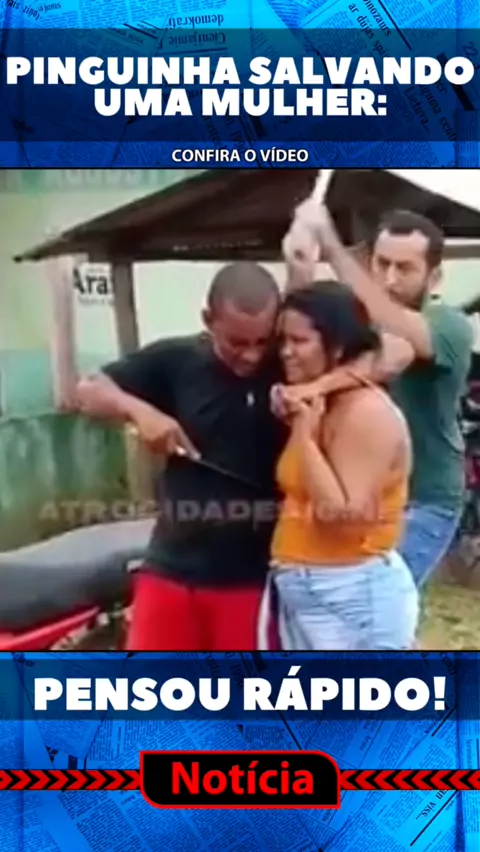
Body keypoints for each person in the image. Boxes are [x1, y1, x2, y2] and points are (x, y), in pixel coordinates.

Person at [76, 262, 287, 651]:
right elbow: (88, 390)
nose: (252, 355)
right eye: (237, 342)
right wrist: (140, 411)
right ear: (208, 320)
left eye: (263, 341)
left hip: (251, 579)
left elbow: (379, 351)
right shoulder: (177, 360)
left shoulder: (288, 363)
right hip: (170, 567)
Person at [279, 203, 473, 589]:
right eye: (381, 264)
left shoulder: (450, 325)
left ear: (434, 277)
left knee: (376, 598)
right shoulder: (363, 316)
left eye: (404, 268)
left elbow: (391, 355)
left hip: (424, 499)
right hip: (356, 487)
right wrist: (299, 269)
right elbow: (304, 332)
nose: (388, 278)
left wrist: (332, 248)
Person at [258, 282, 418, 651]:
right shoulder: (321, 402)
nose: (286, 352)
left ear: (338, 346)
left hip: (352, 593)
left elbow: (344, 518)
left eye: (299, 341)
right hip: (312, 592)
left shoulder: (365, 413)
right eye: (283, 340)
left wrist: (304, 436)